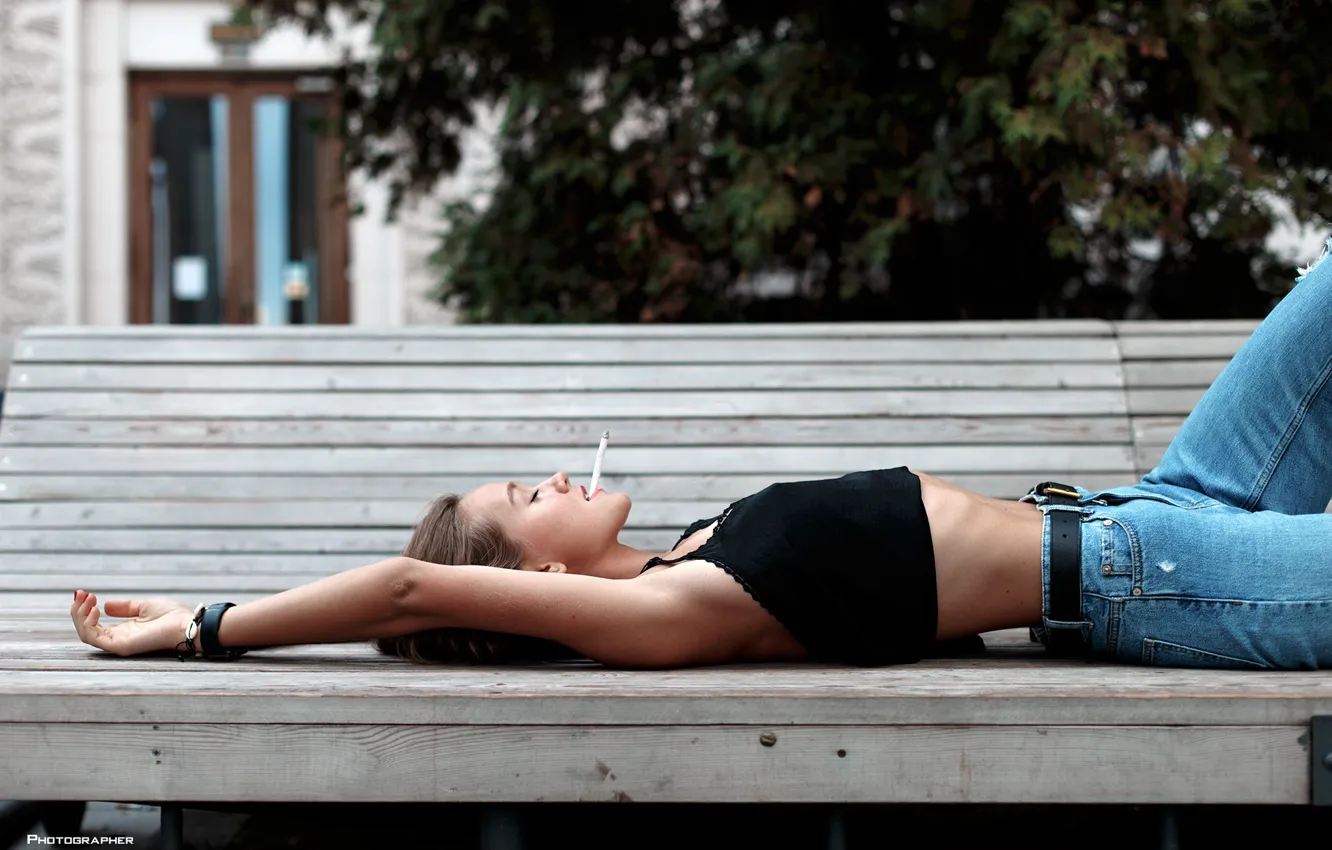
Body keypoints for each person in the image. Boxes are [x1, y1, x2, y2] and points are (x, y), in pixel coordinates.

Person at [71, 240, 1332, 670]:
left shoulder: (697, 551)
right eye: (528, 497)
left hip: (1157, 509)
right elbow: (405, 592)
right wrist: (196, 624)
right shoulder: (681, 608)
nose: (556, 477)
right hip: (1160, 583)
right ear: (539, 583)